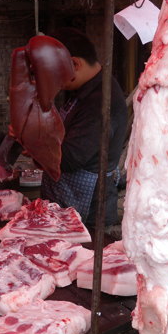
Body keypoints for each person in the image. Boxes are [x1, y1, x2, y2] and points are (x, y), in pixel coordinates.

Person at [40, 28, 127, 228]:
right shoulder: (83, 87)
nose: (54, 81)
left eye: (54, 74)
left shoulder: (101, 102)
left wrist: (34, 143)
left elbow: (70, 158)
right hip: (67, 200)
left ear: (74, 64)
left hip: (89, 211)